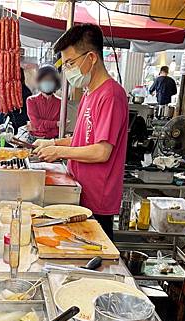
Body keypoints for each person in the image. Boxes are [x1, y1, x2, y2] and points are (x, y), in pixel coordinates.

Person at [33, 24, 128, 239]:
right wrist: (52, 144)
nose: (67, 70)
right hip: (79, 190)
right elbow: (81, 140)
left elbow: (101, 151)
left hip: (98, 198)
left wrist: (58, 153)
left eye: (70, 63)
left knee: (98, 258)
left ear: (92, 58)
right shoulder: (88, 92)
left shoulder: (111, 95)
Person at [26, 65, 61, 139]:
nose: (47, 82)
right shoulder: (31, 100)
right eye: (44, 80)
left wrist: (40, 128)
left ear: (56, 82)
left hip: (53, 140)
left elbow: (58, 129)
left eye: (50, 80)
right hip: (34, 139)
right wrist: (56, 124)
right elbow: (36, 123)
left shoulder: (60, 102)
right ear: (39, 82)